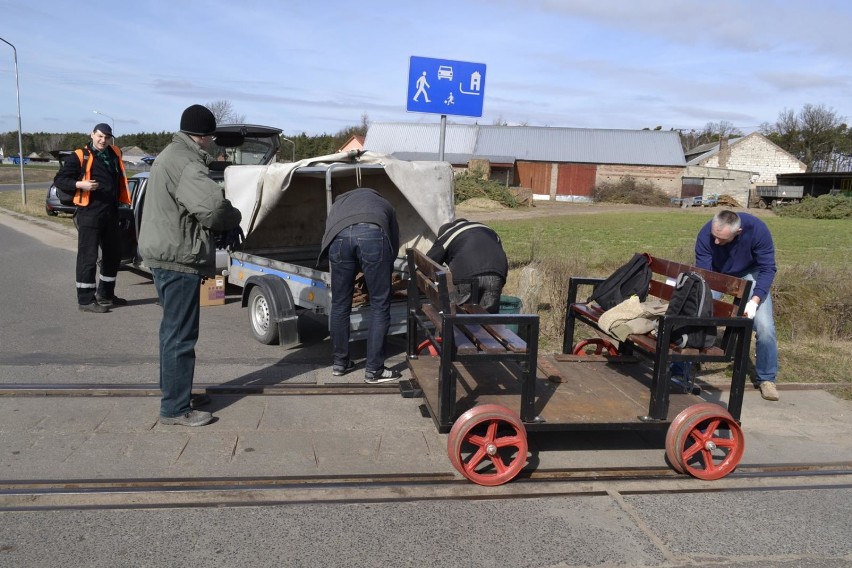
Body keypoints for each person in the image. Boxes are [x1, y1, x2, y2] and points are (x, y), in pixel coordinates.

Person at [138, 104, 242, 426]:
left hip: (166, 253)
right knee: (181, 335)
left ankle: (176, 393)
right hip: (178, 258)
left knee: (172, 332)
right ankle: (175, 408)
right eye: (211, 137)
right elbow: (212, 208)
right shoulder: (185, 162)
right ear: (204, 136)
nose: (211, 143)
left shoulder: (171, 155)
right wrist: (233, 218)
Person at [318, 188, 401, 384]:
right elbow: (393, 243)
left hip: (337, 240)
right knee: (380, 305)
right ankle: (374, 371)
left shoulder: (338, 204)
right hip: (372, 236)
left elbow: (329, 231)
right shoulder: (385, 203)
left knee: (339, 304)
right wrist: (382, 268)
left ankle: (340, 363)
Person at [695, 209, 780, 401]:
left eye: (722, 239)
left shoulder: (758, 230)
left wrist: (754, 300)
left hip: (751, 273)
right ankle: (685, 364)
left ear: (738, 232)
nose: (716, 242)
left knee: (765, 327)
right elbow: (704, 272)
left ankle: (766, 378)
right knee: (697, 312)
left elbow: (768, 268)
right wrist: (705, 299)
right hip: (718, 273)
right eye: (714, 237)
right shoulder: (706, 233)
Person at [53, 123, 131, 313]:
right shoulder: (80, 155)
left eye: (107, 137)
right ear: (92, 135)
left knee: (113, 255)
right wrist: (81, 184)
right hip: (89, 212)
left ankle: (106, 294)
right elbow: (60, 180)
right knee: (88, 257)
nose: (103, 140)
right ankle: (86, 300)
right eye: (100, 136)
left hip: (111, 211)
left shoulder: (114, 153)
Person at [426, 218, 508, 313]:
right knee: (488, 318)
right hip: (496, 274)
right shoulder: (487, 230)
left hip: (467, 276)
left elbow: (429, 260)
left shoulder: (449, 233)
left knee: (461, 316)